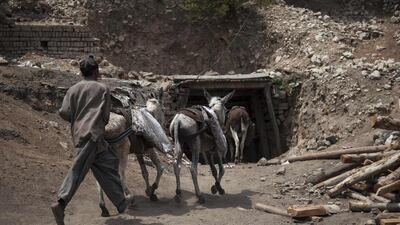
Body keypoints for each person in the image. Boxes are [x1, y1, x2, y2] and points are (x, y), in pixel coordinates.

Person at [51, 55, 132, 225]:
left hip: (84, 136)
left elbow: (64, 112)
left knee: (109, 163)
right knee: (77, 170)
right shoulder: (102, 89)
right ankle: (61, 203)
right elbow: (105, 117)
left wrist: (78, 120)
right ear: (96, 71)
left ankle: (121, 203)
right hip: (93, 135)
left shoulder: (72, 89)